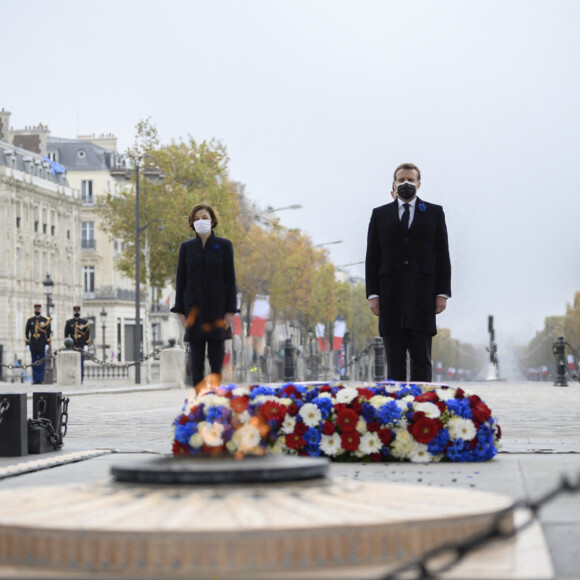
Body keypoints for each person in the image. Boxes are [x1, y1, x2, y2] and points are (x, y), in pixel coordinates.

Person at [365, 162, 451, 382]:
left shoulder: (434, 213)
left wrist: (442, 292)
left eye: (410, 180)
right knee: (394, 361)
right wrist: (373, 295)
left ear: (419, 184)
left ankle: (423, 409)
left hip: (423, 296)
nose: (406, 184)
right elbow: (372, 257)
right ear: (394, 183)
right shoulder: (379, 214)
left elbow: (442, 255)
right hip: (390, 296)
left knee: (422, 359)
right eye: (401, 180)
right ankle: (395, 409)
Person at [171, 203, 237, 387]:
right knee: (196, 366)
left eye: (205, 218)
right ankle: (198, 404)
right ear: (192, 222)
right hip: (193, 312)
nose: (201, 221)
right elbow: (180, 281)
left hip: (218, 312)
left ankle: (216, 404)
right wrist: (180, 313)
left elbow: (230, 280)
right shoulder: (186, 248)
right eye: (197, 218)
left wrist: (230, 311)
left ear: (212, 220)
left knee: (216, 365)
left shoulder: (224, 246)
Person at [25, 304, 52, 384]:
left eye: (38, 309)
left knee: (41, 363)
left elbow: (49, 333)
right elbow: (26, 332)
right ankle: (35, 379)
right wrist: (27, 344)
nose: (37, 310)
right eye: (36, 309)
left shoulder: (45, 320)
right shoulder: (30, 320)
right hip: (33, 344)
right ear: (34, 310)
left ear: (40, 310)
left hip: (42, 344)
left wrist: (47, 343)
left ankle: (40, 379)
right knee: (34, 362)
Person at [64, 305, 91, 383]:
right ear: (73, 312)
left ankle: (80, 380)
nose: (76, 312)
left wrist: (86, 344)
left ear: (80, 312)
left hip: (81, 346)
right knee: (71, 364)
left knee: (81, 364)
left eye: (78, 311)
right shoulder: (69, 323)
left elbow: (87, 334)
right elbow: (66, 335)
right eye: (75, 311)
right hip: (72, 347)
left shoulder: (84, 322)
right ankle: (72, 379)